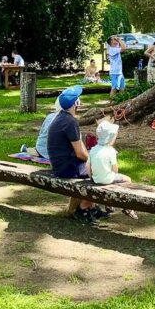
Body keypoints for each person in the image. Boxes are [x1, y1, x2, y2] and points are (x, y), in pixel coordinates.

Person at [45, 86, 102, 224]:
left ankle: (91, 206)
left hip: (59, 165)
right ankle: (83, 208)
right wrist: (95, 161)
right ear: (75, 104)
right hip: (67, 168)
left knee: (94, 168)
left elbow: (79, 147)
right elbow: (80, 153)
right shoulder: (70, 122)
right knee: (98, 172)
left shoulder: (60, 118)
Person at [88, 119, 139, 219]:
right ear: (111, 137)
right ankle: (127, 207)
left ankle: (109, 204)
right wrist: (113, 174)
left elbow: (88, 167)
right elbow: (115, 169)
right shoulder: (110, 151)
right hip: (107, 179)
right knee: (128, 180)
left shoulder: (93, 149)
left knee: (110, 180)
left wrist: (92, 176)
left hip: (95, 179)